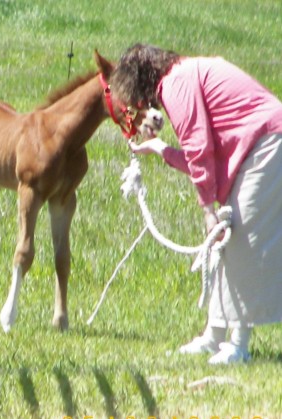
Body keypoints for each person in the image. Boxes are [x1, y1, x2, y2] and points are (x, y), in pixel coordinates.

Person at [110, 43, 282, 364]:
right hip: (261, 143)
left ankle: (239, 345)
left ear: (140, 81)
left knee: (241, 239)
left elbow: (198, 146)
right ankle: (214, 336)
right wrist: (161, 149)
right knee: (224, 244)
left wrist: (207, 211)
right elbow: (202, 157)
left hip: (268, 141)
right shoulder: (183, 75)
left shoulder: (176, 83)